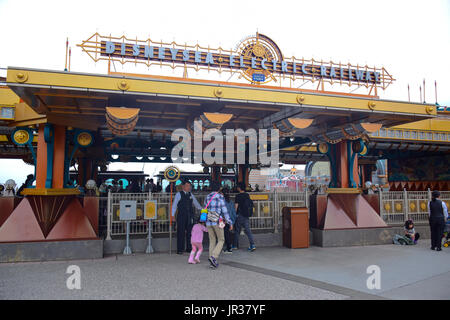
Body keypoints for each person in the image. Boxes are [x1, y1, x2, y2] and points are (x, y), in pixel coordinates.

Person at [204, 182, 232, 268]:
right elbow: (224, 211)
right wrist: (230, 222)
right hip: (217, 221)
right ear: (219, 188)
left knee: (212, 240)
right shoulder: (220, 197)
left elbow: (205, 209)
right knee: (221, 239)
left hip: (208, 221)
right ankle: (214, 257)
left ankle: (211, 259)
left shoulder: (207, 197)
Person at [171, 181, 202, 254]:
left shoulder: (191, 194)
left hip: (190, 216)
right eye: (187, 186)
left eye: (190, 186)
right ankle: (180, 249)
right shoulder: (179, 194)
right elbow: (174, 205)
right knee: (180, 232)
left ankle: (189, 248)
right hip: (181, 215)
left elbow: (196, 204)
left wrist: (202, 209)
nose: (189, 187)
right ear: (183, 186)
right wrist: (172, 215)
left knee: (190, 233)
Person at [232, 182, 256, 252]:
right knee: (248, 231)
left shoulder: (238, 196)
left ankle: (235, 245)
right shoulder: (247, 195)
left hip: (240, 215)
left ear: (239, 188)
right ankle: (252, 245)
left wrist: (234, 215)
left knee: (237, 231)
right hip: (246, 215)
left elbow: (236, 207)